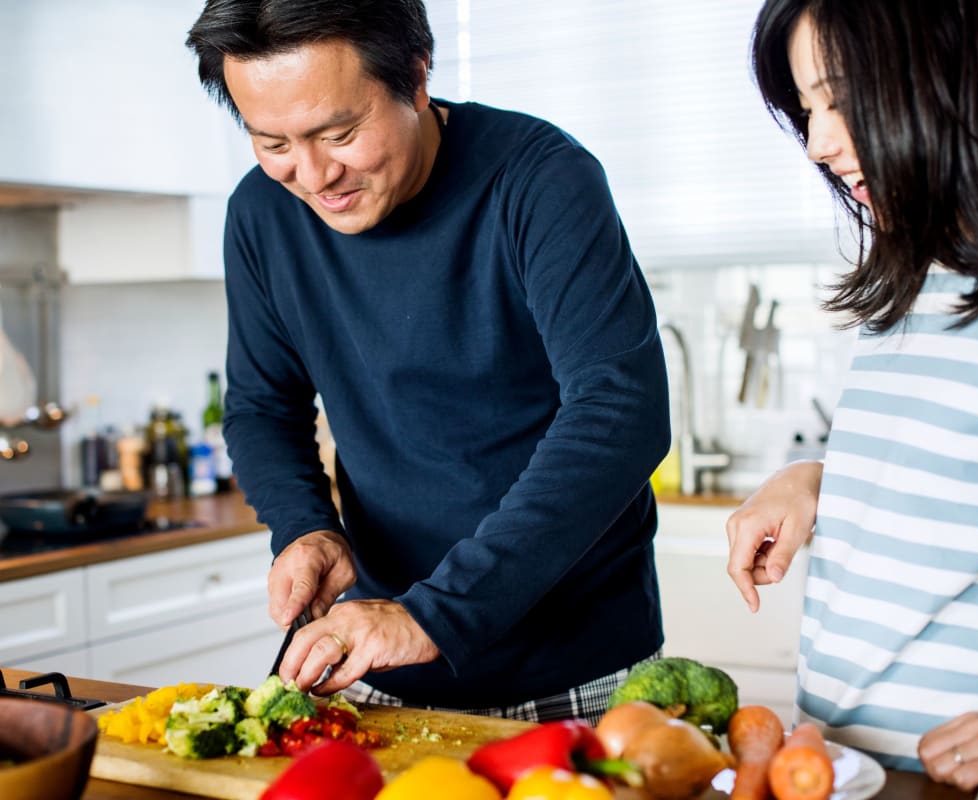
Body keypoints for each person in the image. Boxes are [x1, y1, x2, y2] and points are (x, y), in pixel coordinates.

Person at [185, 0, 669, 725]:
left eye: (339, 134)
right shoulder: (259, 213)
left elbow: (620, 412)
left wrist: (435, 617)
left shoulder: (539, 179)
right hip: (381, 659)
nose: (314, 175)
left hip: (578, 668)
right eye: (272, 141)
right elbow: (261, 406)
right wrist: (305, 527)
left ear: (415, 77)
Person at [726, 0, 978, 789]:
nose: (818, 142)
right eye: (808, 108)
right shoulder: (914, 284)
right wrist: (819, 481)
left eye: (840, 99)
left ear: (944, 75)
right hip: (850, 771)